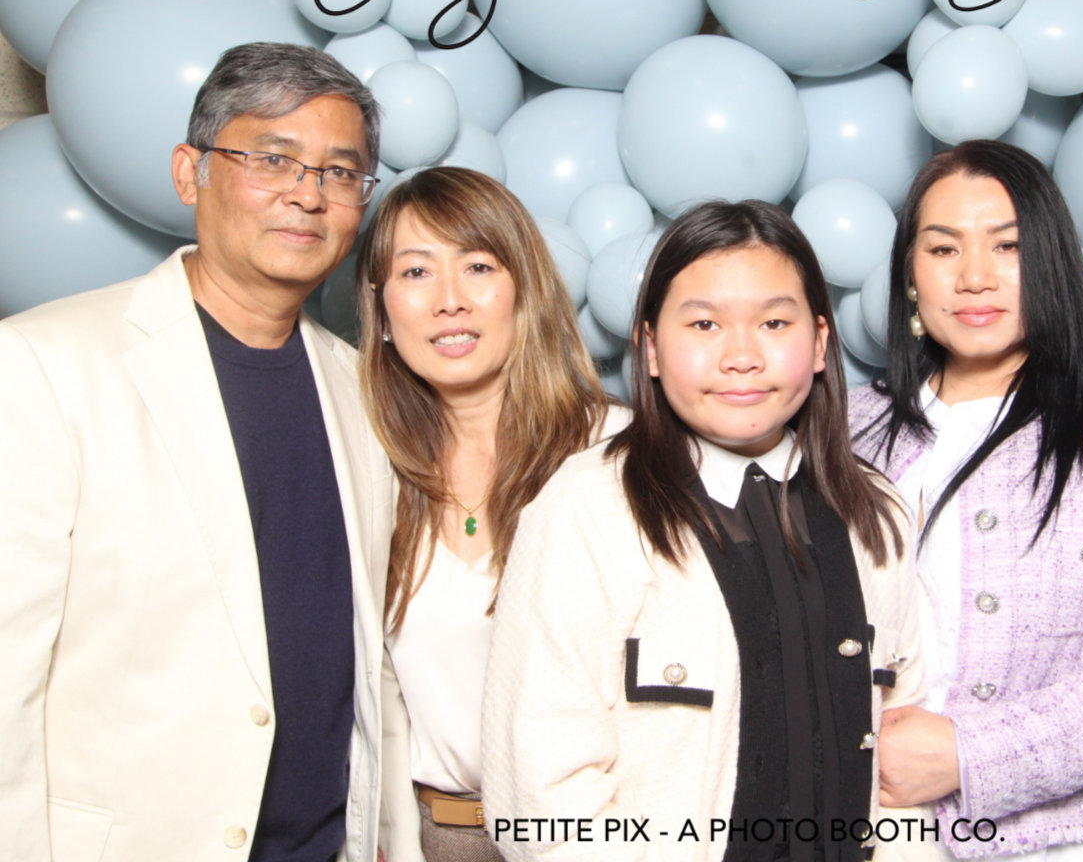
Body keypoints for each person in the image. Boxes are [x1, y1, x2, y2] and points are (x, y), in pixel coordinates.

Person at [0, 42, 394, 861]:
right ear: (191, 173)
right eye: (272, 159)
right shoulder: (45, 365)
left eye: (340, 171)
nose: (307, 194)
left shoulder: (364, 394)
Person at [480, 200, 925, 862]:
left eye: (774, 322)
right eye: (704, 324)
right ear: (651, 348)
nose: (741, 356)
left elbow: (903, 765)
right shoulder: (585, 510)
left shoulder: (877, 512)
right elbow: (542, 803)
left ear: (820, 343)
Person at [849, 140, 1083, 861]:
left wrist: (964, 755)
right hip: (869, 832)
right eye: (944, 249)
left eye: (1008, 246)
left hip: (1059, 845)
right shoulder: (847, 428)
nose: (975, 277)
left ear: (1052, 263)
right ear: (910, 276)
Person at [356, 167, 622, 862]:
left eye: (478, 266)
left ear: (524, 289)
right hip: (429, 839)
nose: (449, 300)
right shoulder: (368, 469)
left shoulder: (618, 457)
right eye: (416, 271)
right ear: (381, 311)